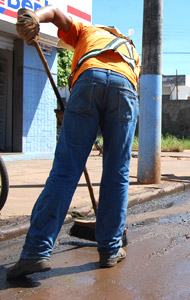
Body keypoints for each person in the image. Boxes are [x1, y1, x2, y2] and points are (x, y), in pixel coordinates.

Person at [7, 5, 140, 279]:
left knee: (66, 170)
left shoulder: (85, 31)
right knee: (117, 173)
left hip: (88, 80)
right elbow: (117, 82)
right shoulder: (131, 50)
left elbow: (55, 12)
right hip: (126, 88)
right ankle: (110, 249)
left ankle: (36, 252)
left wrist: (35, 18)